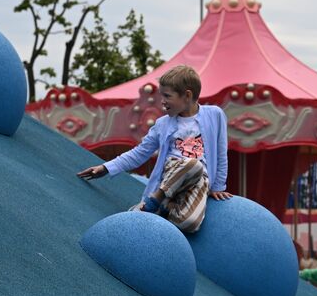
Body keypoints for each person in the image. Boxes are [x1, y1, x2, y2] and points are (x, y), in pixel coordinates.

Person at [76, 65, 231, 232]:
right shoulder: (163, 124)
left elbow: (221, 153)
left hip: (199, 180)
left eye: (167, 96)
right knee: (193, 164)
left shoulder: (215, 115)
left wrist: (218, 186)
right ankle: (155, 200)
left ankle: (164, 207)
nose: (162, 101)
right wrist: (107, 167)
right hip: (172, 174)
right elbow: (139, 153)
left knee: (191, 224)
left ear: (187, 95)